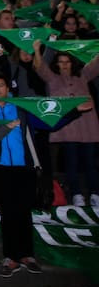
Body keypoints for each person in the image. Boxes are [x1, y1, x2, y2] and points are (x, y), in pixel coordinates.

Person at [0, 72, 43, 277]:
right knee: (7, 211)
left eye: (1, 85)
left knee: (24, 210)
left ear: (8, 89)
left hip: (23, 165)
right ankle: (11, 257)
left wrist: (73, 111)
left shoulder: (20, 108)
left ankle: (27, 255)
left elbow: (45, 119)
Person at [33, 41, 99, 206]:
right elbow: (40, 68)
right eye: (60, 61)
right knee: (72, 162)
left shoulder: (83, 75)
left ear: (72, 62)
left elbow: (96, 64)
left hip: (88, 127)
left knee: (91, 162)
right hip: (68, 128)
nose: (63, 65)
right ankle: (77, 195)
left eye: (67, 61)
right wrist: (36, 50)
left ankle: (95, 194)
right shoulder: (52, 79)